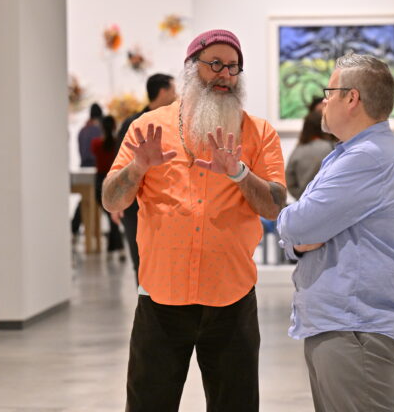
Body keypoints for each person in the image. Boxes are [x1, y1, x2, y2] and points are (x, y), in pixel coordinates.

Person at [102, 29, 286, 411]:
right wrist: (137, 167)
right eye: (215, 64)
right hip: (161, 296)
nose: (225, 75)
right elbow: (110, 199)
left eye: (233, 67)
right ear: (190, 68)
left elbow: (275, 207)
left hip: (231, 298)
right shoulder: (147, 128)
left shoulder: (259, 132)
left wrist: (239, 173)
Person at [277, 54, 394, 412]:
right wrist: (298, 237)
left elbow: (296, 224)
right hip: (343, 324)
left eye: (330, 91)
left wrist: (295, 232)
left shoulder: (368, 158)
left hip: (356, 328)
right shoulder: (351, 154)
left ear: (352, 98)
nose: (324, 100)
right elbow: (301, 232)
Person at [114, 73, 177, 282]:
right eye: (173, 90)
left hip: (169, 205)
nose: (177, 95)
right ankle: (147, 309)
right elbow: (118, 165)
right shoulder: (133, 124)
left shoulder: (179, 124)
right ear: (163, 92)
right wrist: (117, 204)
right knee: (140, 261)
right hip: (135, 206)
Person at [91, 115, 124, 258]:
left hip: (100, 182)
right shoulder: (118, 144)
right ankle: (118, 248)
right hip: (114, 180)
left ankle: (114, 248)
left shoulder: (96, 144)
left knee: (112, 216)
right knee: (114, 216)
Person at [285, 110, 334, 200]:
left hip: (302, 202)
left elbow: (289, 178)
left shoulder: (298, 150)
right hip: (325, 200)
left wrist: (300, 195)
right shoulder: (330, 148)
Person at [71, 103, 103, 238]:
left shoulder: (82, 130)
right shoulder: (97, 130)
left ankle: (75, 226)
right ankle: (80, 227)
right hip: (95, 169)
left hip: (83, 167)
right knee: (95, 199)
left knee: (86, 199)